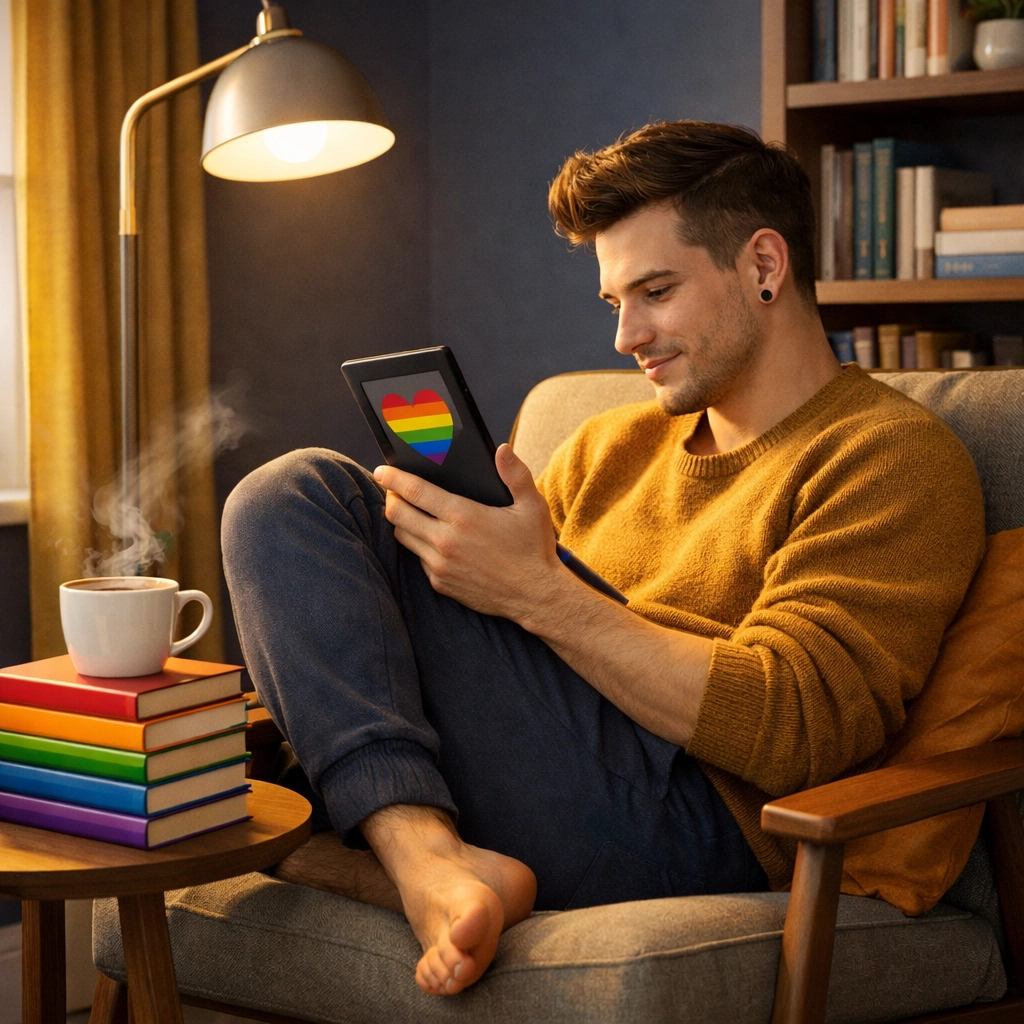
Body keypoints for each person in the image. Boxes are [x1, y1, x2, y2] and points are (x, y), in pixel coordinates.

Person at [221, 120, 985, 998]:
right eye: (614, 302)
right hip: (546, 769)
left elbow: (799, 730)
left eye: (655, 291)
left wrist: (536, 591)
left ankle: (386, 859)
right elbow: (501, 661)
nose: (627, 336)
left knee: (302, 494)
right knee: (282, 512)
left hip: (693, 822)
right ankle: (427, 859)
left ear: (764, 266)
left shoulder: (888, 456)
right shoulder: (606, 445)